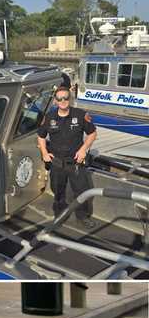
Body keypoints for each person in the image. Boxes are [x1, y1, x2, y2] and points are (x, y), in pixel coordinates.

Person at [37, 86, 97, 228]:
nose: (63, 101)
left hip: (76, 162)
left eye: (66, 97)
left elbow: (93, 133)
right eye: (59, 99)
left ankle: (83, 217)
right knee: (58, 191)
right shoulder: (49, 117)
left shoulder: (81, 115)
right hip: (57, 162)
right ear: (55, 101)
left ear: (70, 99)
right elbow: (40, 137)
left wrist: (83, 149)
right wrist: (44, 153)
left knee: (82, 191)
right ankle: (59, 215)